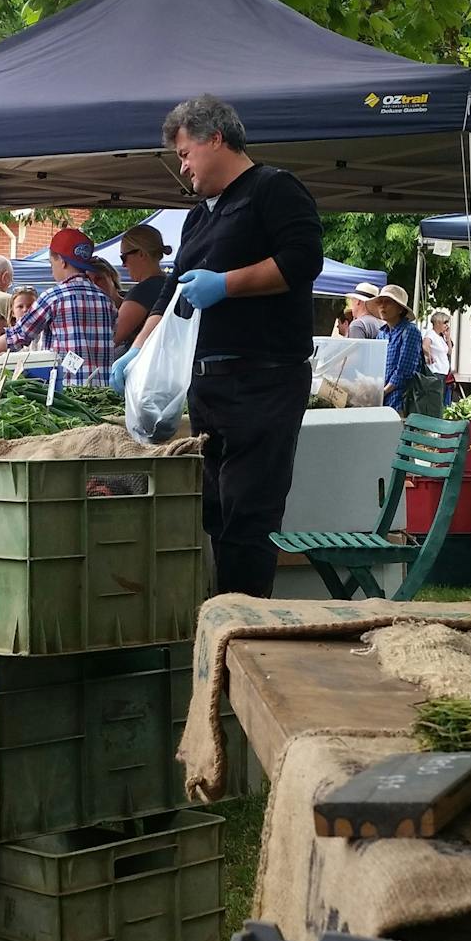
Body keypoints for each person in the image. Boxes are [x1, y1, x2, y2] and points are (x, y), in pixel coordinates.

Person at [141, 94, 322, 597]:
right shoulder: (199, 216)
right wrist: (139, 352)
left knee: (248, 514)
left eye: (184, 153)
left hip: (264, 379)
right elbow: (170, 288)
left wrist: (225, 284)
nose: (183, 167)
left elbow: (302, 261)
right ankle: (224, 619)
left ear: (215, 138)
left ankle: (244, 629)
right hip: (209, 387)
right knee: (216, 511)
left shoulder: (275, 189)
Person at [0, 228, 117, 385]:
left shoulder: (53, 297)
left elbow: (18, 335)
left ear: (62, 261)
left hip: (67, 392)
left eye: (51, 262)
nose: (51, 268)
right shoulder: (105, 300)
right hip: (104, 393)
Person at [112, 222, 169, 352]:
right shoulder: (169, 284)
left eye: (124, 257)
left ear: (141, 254)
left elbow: (113, 337)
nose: (124, 265)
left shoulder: (143, 292)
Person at [376, 284, 430, 415]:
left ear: (400, 309)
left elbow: (404, 371)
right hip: (381, 398)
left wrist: (384, 391)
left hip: (401, 400)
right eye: (380, 302)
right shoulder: (381, 333)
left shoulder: (410, 331)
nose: (382, 306)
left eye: (388, 302)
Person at [424, 308, 456, 400]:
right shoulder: (431, 334)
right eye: (445, 322)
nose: (446, 325)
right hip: (435, 372)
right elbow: (425, 345)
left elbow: (449, 352)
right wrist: (429, 354)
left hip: (443, 372)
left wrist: (448, 337)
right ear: (438, 322)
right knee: (436, 399)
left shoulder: (440, 337)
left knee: (441, 398)